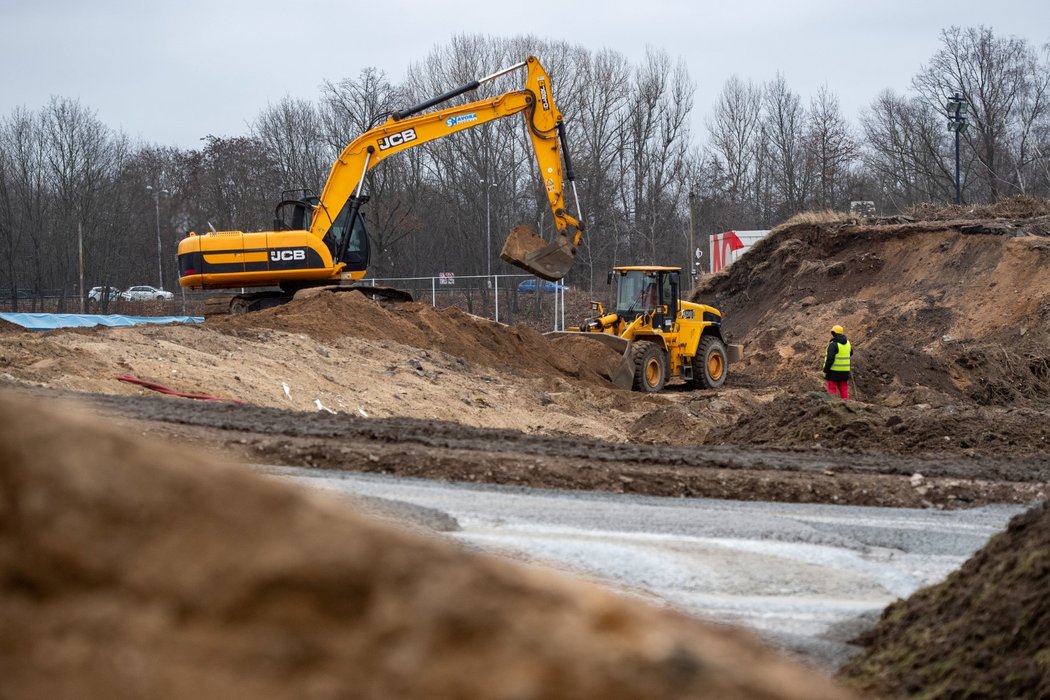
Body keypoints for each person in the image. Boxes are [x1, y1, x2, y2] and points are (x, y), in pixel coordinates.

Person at [822, 324, 852, 400]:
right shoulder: (847, 343)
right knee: (843, 388)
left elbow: (830, 359)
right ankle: (846, 404)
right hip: (845, 371)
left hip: (834, 371)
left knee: (832, 388)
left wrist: (825, 370)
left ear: (834, 333)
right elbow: (851, 353)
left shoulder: (833, 345)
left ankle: (832, 405)